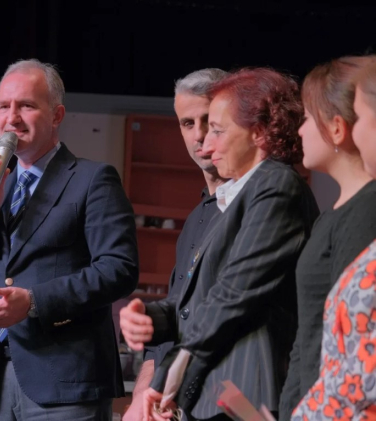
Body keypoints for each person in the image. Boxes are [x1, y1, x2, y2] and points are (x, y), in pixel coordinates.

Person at [121, 68, 319, 421]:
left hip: (247, 394)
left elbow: (231, 297)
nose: (205, 144)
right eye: (192, 126)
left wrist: (164, 382)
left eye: (216, 129)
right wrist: (152, 317)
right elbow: (197, 302)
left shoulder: (276, 186)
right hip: (216, 395)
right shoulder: (232, 199)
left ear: (258, 132)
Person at [0, 59, 139, 420]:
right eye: (3, 106)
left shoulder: (92, 179)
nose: (12, 118)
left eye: (26, 105)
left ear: (57, 115)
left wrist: (34, 301)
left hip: (65, 381)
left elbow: (119, 270)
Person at [120, 69, 228, 421]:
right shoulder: (196, 218)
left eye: (208, 121)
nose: (199, 135)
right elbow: (177, 315)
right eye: (187, 123)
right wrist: (142, 393)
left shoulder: (257, 207)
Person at [279, 57, 376, 420]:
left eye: (306, 118)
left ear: (337, 128)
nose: (300, 131)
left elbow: (352, 339)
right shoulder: (332, 216)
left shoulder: (366, 211)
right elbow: (310, 331)